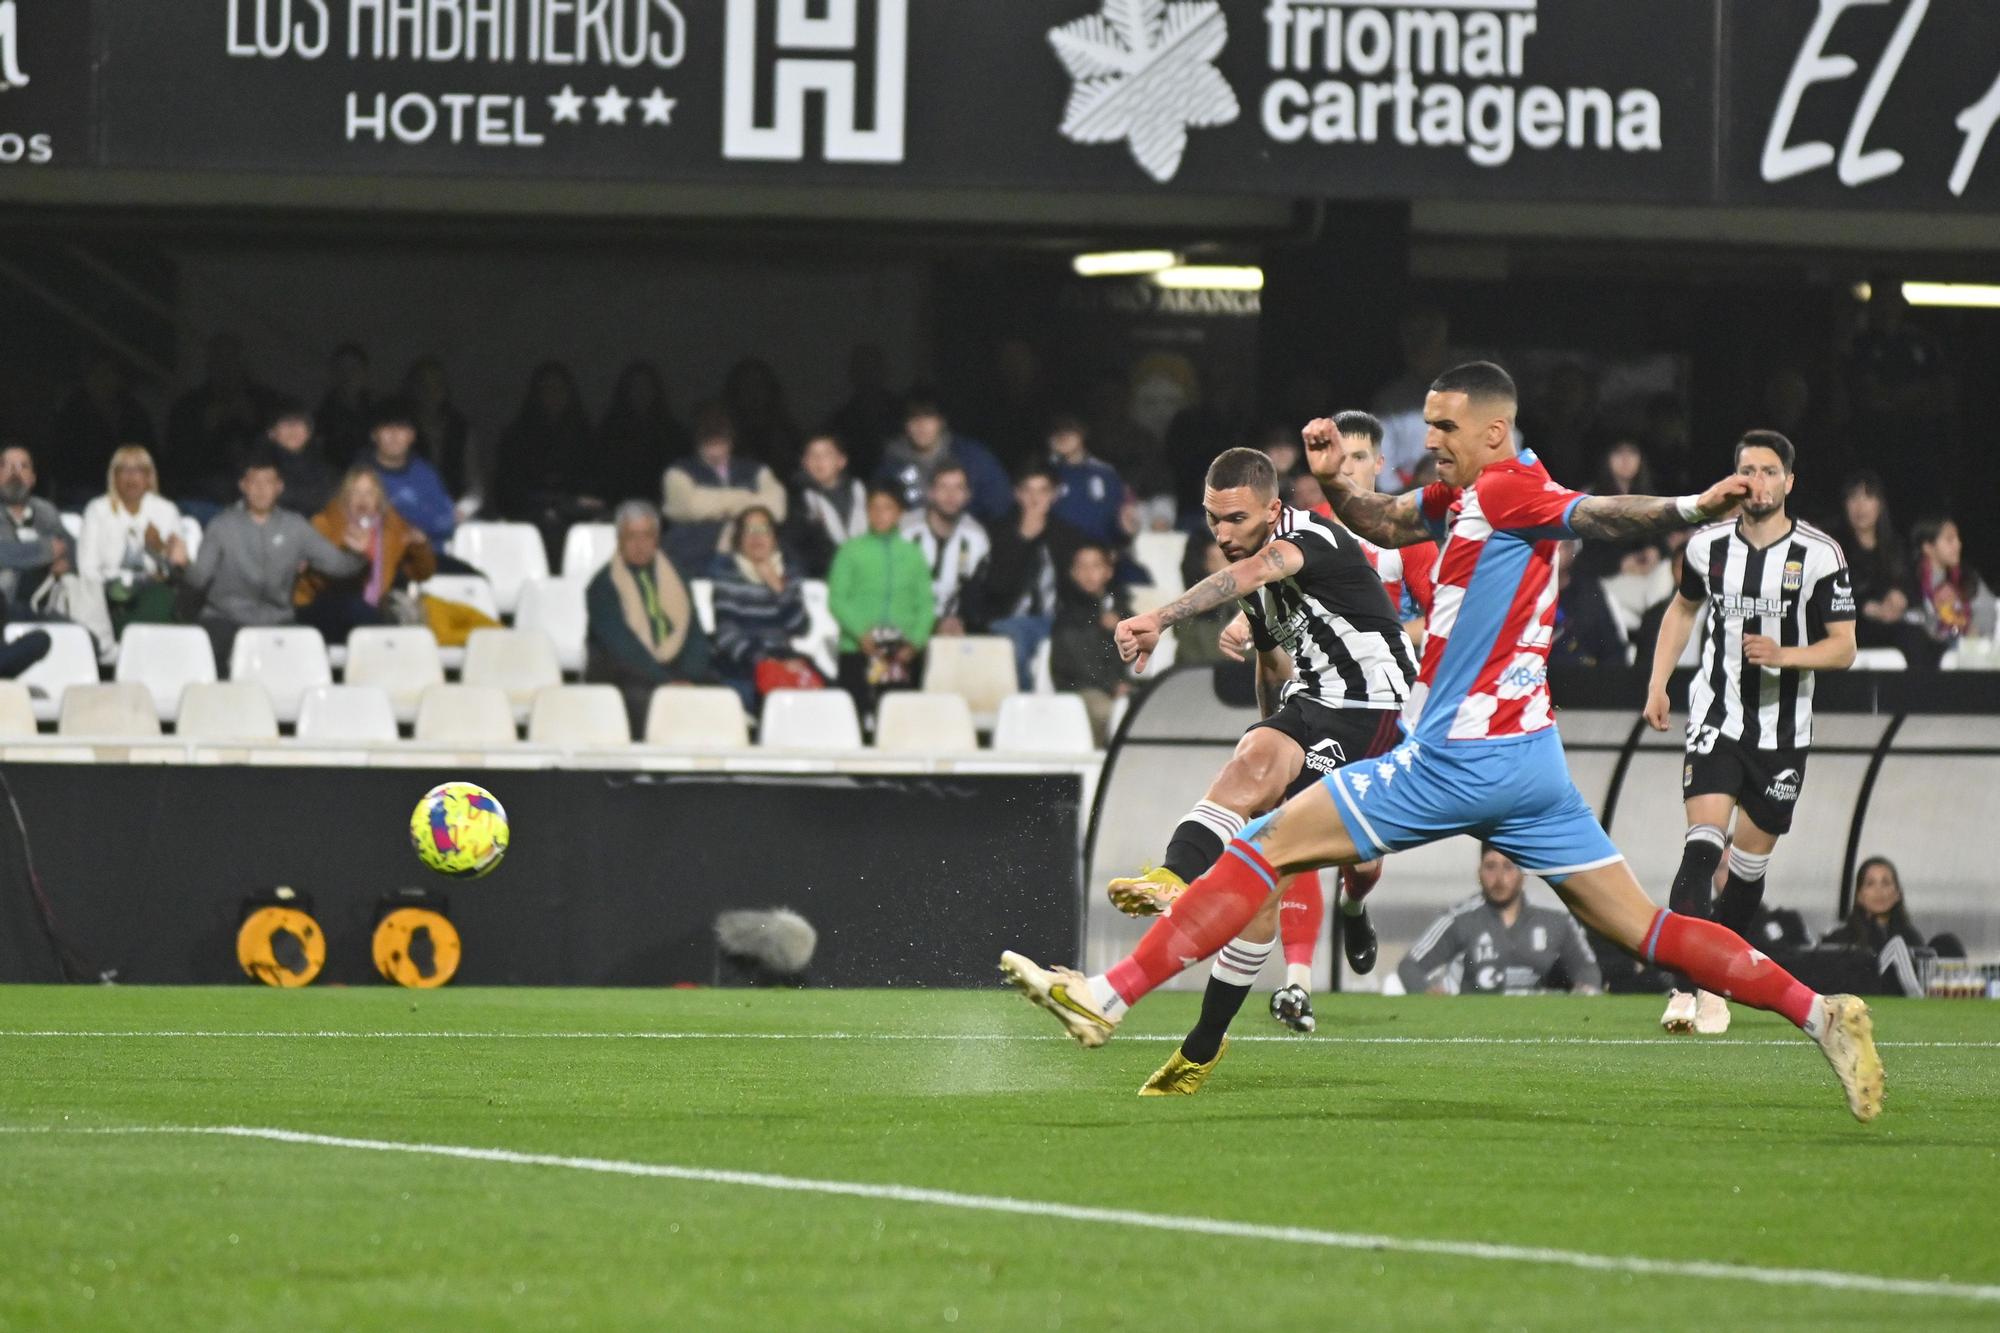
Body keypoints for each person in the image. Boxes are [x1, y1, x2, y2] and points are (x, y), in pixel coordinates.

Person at [1001, 361, 1885, 1125]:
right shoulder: (1466, 493)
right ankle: (1820, 1013)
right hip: (1530, 761)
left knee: (1263, 844)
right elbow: (1385, 520)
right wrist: (1334, 489)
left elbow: (1604, 515)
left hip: (1458, 755)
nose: (1429, 439)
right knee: (1650, 927)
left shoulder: (1511, 487)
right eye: (1426, 424)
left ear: (1495, 429)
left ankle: (1107, 997)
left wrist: (1695, 503)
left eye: (1445, 426)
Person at [1099, 444, 1416, 1085]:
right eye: (1214, 519)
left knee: (1352, 863)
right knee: (1251, 784)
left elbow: (1240, 579)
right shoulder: (1260, 576)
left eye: (1237, 519)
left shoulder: (1309, 537)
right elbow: (1272, 666)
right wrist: (1266, 739)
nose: (1223, 534)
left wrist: (1159, 618)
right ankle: (1174, 897)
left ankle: (1354, 906)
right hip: (1309, 703)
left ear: (1273, 509)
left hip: (1370, 711)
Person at [1645, 430, 1857, 1034]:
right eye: (1746, 470)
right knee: (1701, 845)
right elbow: (1684, 608)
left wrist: (1784, 655)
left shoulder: (1820, 554)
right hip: (1716, 715)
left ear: (1789, 482)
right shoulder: (1707, 544)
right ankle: (1686, 989)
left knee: (1744, 871)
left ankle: (1718, 982)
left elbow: (1844, 650)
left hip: (1781, 735)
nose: (1756, 482)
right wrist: (1659, 682)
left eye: (1768, 471)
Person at [182, 450, 365, 668]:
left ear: (279, 487)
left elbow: (338, 566)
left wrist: (358, 553)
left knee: (311, 657)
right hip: (225, 619)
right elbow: (198, 579)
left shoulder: (295, 526)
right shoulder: (222, 526)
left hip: (277, 620)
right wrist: (182, 564)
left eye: (268, 482)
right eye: (254, 482)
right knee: (206, 655)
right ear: (243, 486)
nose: (261, 489)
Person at [1395, 846, 1603, 996]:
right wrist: (1428, 994)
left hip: (1536, 1024)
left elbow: (1587, 969)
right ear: (1479, 873)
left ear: (1524, 873)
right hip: (1471, 1025)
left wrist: (1584, 992)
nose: (1499, 878)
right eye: (1490, 866)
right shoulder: (1459, 918)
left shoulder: (1554, 918)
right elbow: (1410, 966)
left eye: (1508, 867)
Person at [584, 501, 713, 736]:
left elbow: (693, 632)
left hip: (677, 668)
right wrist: (665, 682)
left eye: (647, 535)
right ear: (619, 539)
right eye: (631, 536)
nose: (640, 545)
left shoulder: (676, 574)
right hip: (628, 672)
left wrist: (688, 676)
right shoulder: (603, 585)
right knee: (639, 696)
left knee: (720, 692)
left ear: (657, 538)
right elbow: (622, 647)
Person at [294, 468, 438, 644]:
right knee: (356, 607)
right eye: (356, 492)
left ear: (379, 498)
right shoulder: (324, 524)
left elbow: (423, 573)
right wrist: (354, 553)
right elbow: (318, 580)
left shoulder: (393, 527)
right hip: (322, 604)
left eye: (369, 492)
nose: (363, 499)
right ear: (345, 496)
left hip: (373, 609)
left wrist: (420, 547)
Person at [827, 484, 934, 720]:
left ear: (899, 513)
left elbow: (926, 604)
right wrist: (860, 634)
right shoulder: (850, 550)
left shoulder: (913, 554)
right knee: (853, 718)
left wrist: (915, 643)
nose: (879, 514)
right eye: (873, 508)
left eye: (887, 508)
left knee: (898, 721)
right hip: (857, 649)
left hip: (901, 653)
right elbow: (837, 599)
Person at [495, 361, 606, 560]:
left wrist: (567, 505)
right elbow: (509, 490)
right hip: (528, 517)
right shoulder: (517, 437)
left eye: (559, 389)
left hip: (576, 519)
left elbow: (594, 489)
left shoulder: (584, 437)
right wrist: (554, 504)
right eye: (547, 389)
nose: (553, 396)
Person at [985, 465, 1082, 689]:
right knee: (1013, 643)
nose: (1035, 499)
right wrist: (1022, 539)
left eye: (1042, 491)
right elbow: (995, 588)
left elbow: (1079, 588)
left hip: (1057, 620)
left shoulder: (1069, 535)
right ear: (1017, 494)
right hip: (1011, 619)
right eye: (1028, 491)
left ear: (1054, 495)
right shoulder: (998, 531)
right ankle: (1024, 706)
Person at [709, 506, 814, 713]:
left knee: (821, 692)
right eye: (749, 531)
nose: (756, 537)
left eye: (763, 530)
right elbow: (726, 634)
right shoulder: (727, 576)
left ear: (774, 538)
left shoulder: (789, 574)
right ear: (739, 540)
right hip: (741, 660)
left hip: (782, 656)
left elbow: (801, 627)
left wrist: (777, 586)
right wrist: (765, 661)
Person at [662, 405, 788, 573]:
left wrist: (716, 508)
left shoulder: (756, 470)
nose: (715, 451)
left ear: (731, 441)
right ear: (697, 443)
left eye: (720, 442)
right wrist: (746, 500)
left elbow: (777, 508)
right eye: (708, 444)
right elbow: (688, 505)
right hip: (695, 558)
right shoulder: (678, 471)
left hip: (749, 560)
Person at [162, 333, 280, 504]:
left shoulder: (265, 401)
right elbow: (177, 460)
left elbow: (281, 449)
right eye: (219, 362)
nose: (225, 369)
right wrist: (205, 428)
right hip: (205, 485)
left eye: (230, 361)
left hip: (257, 480)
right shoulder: (189, 406)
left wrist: (254, 422)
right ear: (209, 365)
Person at [77, 445, 184, 631]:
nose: (131, 477)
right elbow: (87, 569)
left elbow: (178, 573)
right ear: (114, 476)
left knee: (161, 599)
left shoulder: (166, 510)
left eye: (139, 470)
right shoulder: (97, 510)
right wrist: (114, 589)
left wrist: (157, 548)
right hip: (109, 594)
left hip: (153, 590)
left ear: (149, 477)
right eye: (124, 470)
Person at [1823, 857, 1961, 994]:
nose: (1879, 891)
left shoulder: (1910, 936)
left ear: (1897, 894)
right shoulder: (1841, 939)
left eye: (1886, 883)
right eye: (1870, 884)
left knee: (1947, 943)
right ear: (1859, 895)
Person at [1832, 471, 1928, 665]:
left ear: (1879, 504)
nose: (1860, 506)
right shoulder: (1833, 548)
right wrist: (1866, 607)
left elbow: (1912, 585)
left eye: (1867, 497)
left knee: (1921, 639)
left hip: (1893, 623)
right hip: (1852, 627)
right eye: (1853, 498)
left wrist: (1901, 597)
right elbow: (1827, 593)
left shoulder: (1896, 546)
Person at [878, 391, 1011, 525]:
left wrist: (966, 525)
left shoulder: (971, 457)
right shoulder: (892, 466)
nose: (921, 425)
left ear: (941, 422)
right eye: (913, 418)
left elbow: (1000, 502)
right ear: (905, 424)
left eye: (928, 416)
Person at [1049, 543, 1132, 746]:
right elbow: (1079, 663)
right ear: (1072, 573)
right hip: (1080, 688)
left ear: (1108, 571)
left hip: (1116, 686)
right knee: (1105, 713)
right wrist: (1112, 685)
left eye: (1095, 566)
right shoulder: (1067, 614)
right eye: (1082, 566)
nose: (1089, 573)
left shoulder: (1118, 608)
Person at [50, 355, 155, 508]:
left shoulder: (133, 413)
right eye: (98, 374)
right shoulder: (73, 412)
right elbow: (61, 462)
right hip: (82, 492)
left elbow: (148, 455)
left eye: (110, 374)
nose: (104, 381)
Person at [1367, 307, 1453, 492]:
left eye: (1428, 333)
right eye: (1412, 335)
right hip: (1411, 501)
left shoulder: (1473, 391)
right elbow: (1383, 472)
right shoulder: (1389, 400)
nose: (1421, 343)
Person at [900, 464, 989, 638]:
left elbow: (975, 596)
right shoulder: (906, 531)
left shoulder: (976, 537)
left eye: (958, 488)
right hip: (906, 622)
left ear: (967, 495)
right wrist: (932, 623)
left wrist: (960, 621)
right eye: (943, 487)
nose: (951, 496)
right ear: (930, 492)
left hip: (954, 626)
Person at [365, 399, 458, 552]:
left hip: (428, 563)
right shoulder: (360, 475)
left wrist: (419, 531)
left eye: (401, 428)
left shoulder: (426, 474)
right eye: (387, 428)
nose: (394, 435)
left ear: (412, 436)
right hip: (378, 561)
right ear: (374, 435)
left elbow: (447, 522)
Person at [597, 361, 689, 507]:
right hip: (619, 508)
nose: (641, 393)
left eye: (646, 387)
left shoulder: (671, 432)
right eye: (635, 387)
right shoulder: (609, 432)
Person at [0, 445, 71, 612]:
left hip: (44, 602)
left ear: (32, 478)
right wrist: (45, 550)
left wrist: (66, 562)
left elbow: (67, 547)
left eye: (22, 466)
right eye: (7, 466)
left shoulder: (46, 511)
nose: (14, 473)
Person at [787, 433, 867, 579]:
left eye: (826, 454)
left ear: (841, 461)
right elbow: (795, 549)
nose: (819, 461)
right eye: (812, 455)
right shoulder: (798, 502)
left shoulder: (863, 491)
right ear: (804, 463)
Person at [1910, 517, 1995, 649]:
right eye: (1950, 540)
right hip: (1926, 653)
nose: (1958, 544)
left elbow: (1987, 608)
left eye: (1957, 539)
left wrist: (1974, 633)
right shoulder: (1912, 579)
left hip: (1967, 649)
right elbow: (1912, 618)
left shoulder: (1968, 576)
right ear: (1928, 547)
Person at [1045, 414, 1126, 550]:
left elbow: (1117, 519)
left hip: (1098, 553)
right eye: (1057, 433)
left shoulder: (1105, 473)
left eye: (1069, 431)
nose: (1062, 437)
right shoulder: (1045, 473)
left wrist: (1120, 537)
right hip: (1057, 552)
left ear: (1082, 435)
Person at [402, 356, 477, 502]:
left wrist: (460, 511)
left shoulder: (460, 429)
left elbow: (473, 483)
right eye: (423, 385)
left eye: (436, 385)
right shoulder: (398, 429)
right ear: (412, 389)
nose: (430, 392)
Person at [822, 344, 901, 479]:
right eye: (863, 369)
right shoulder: (841, 421)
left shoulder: (901, 413)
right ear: (853, 374)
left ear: (882, 372)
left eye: (872, 368)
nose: (868, 375)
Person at [1549, 538, 1627, 670]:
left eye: (1565, 546)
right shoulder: (1526, 592)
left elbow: (1612, 649)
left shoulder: (1589, 591)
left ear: (1575, 550)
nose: (1558, 552)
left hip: (1583, 677)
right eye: (1553, 546)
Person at [264, 402, 337, 519]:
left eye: (299, 423)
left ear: (309, 433)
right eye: (285, 423)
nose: (293, 428)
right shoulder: (258, 465)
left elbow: (327, 499)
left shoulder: (324, 469)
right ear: (271, 433)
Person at [315, 342, 375, 468]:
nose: (348, 376)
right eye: (341, 370)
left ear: (364, 373)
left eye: (354, 369)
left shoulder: (379, 413)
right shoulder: (321, 418)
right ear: (333, 374)